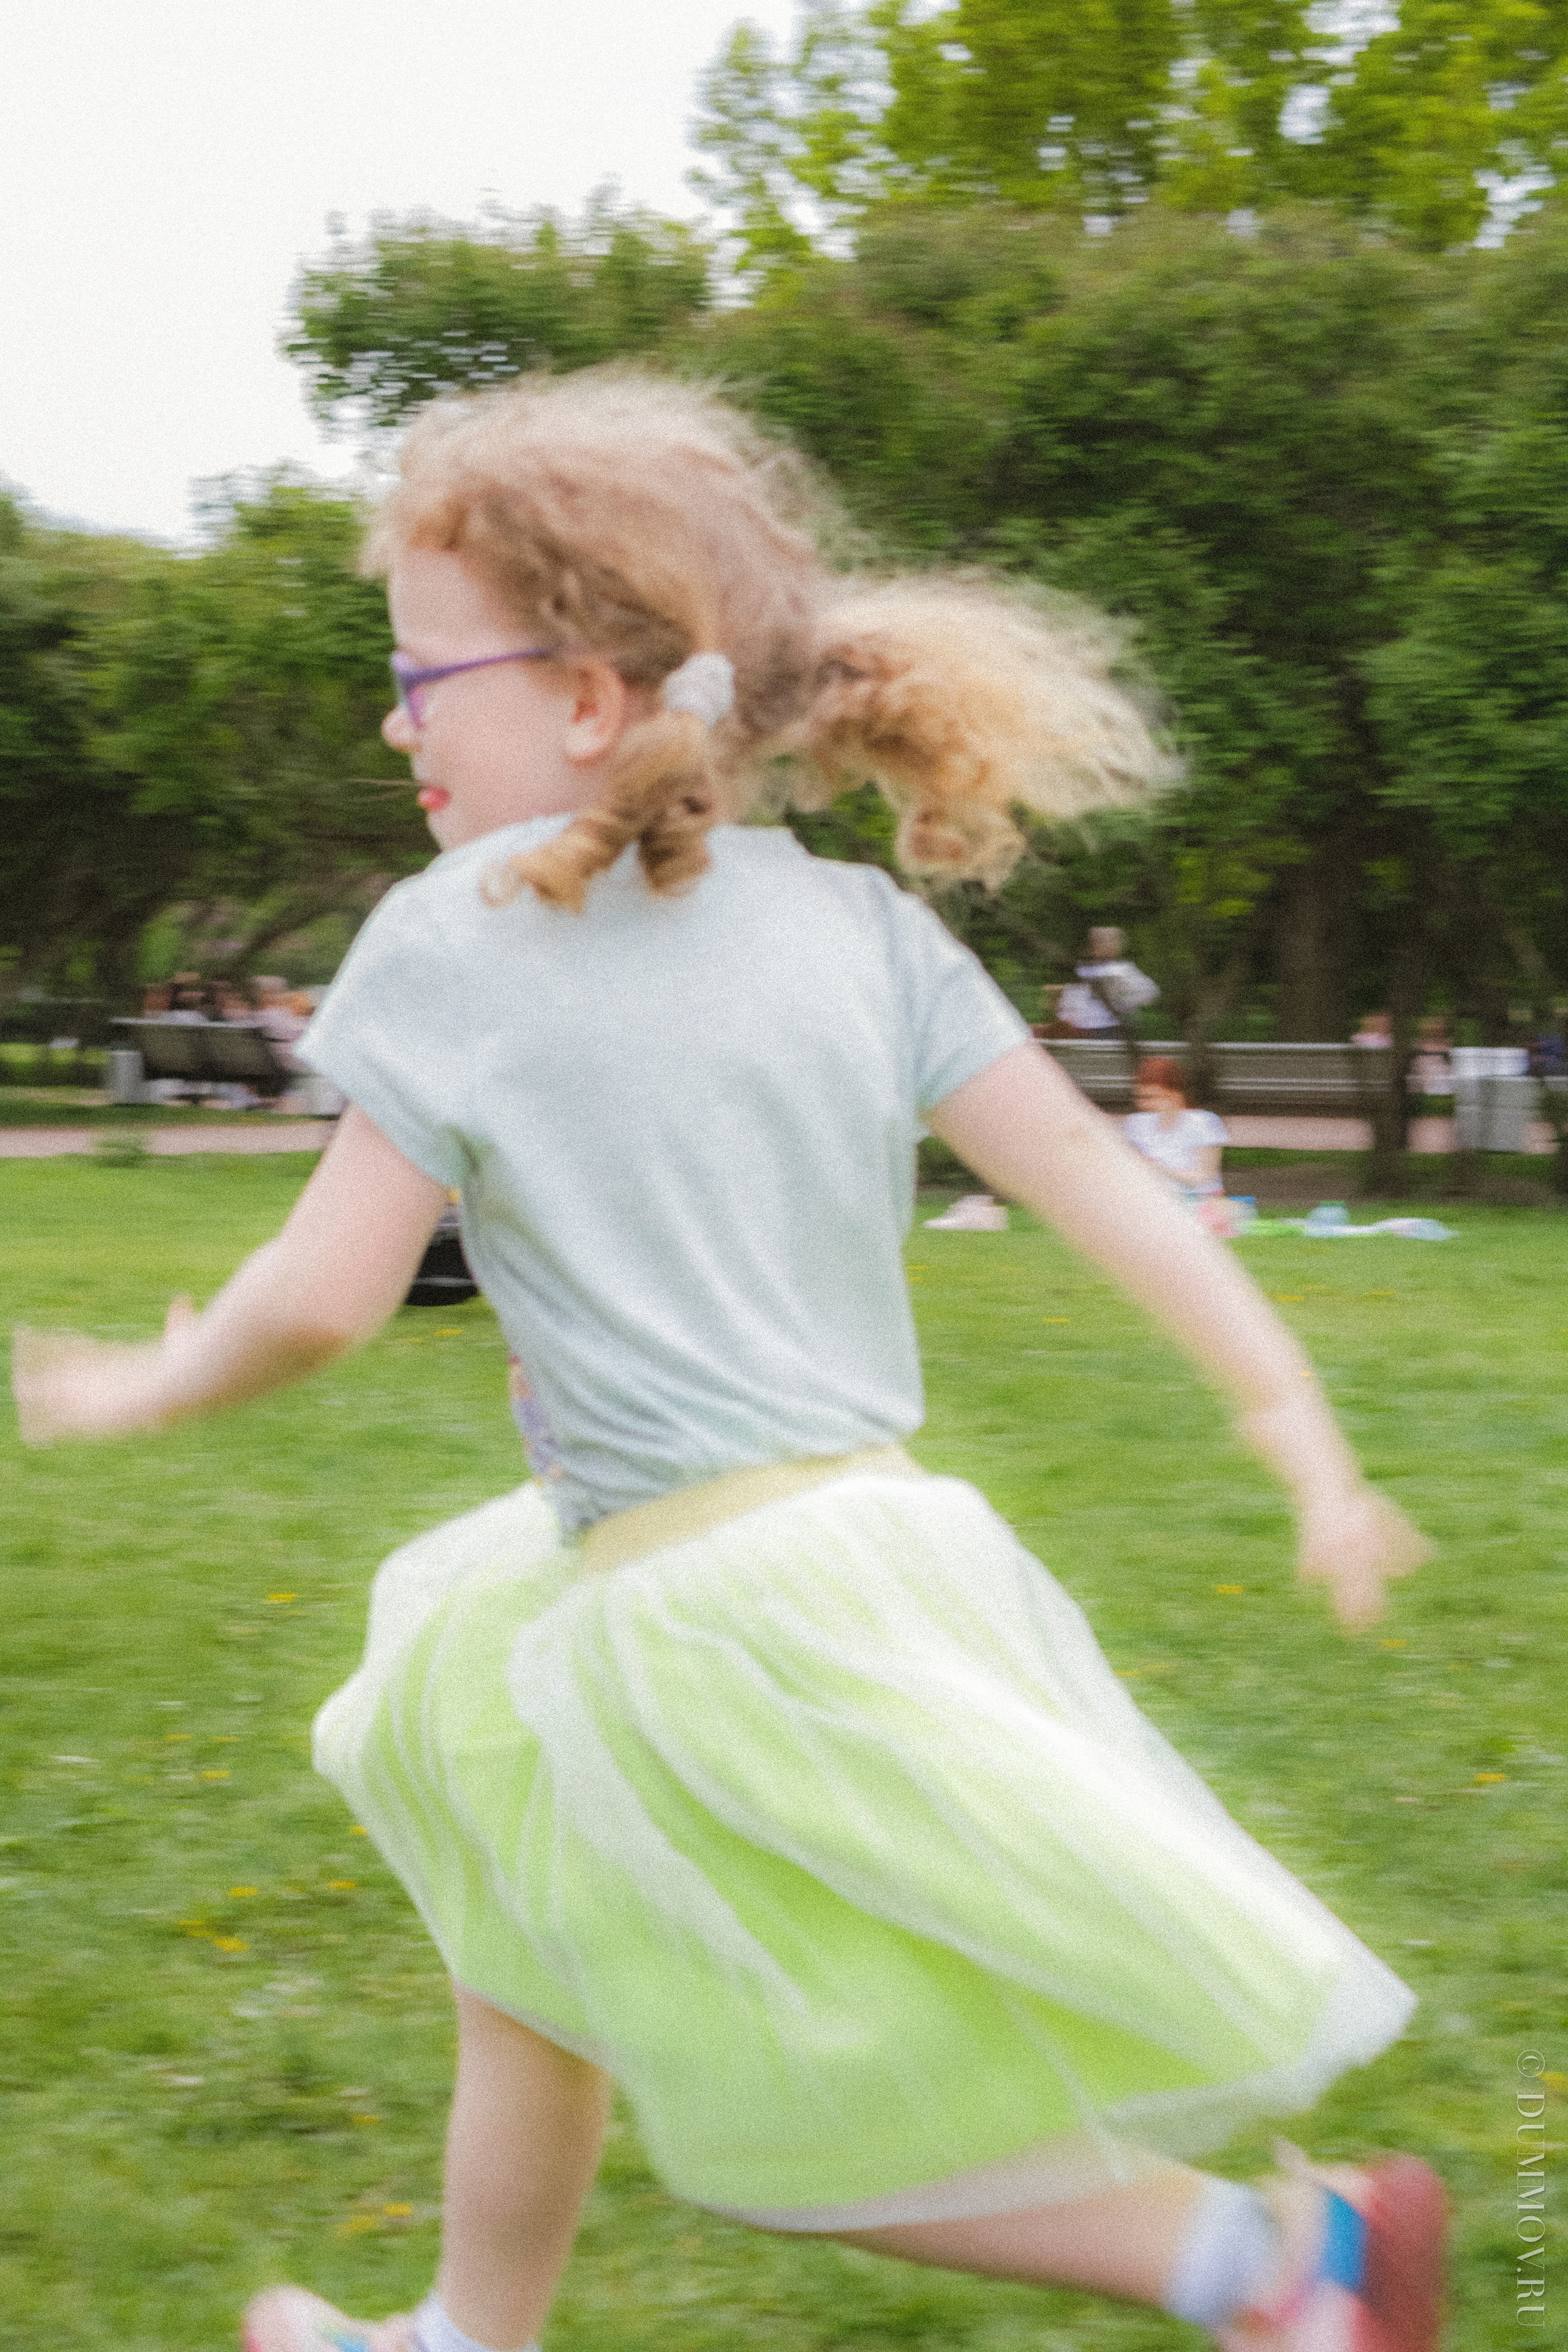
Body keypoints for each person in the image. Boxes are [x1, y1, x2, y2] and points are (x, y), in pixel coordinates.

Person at [13, 371, 1443, 2352]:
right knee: (517, 1925)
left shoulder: (448, 939)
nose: (392, 715)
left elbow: (326, 1297)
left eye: (423, 673)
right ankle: (460, 2335)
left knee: (806, 2122)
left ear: (589, 699)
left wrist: (148, 1382)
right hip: (845, 1551)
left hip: (704, 1606)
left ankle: (1273, 2269)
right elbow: (1123, 1203)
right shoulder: (870, 937)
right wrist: (1300, 1434)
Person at [1125, 1055, 1229, 1200]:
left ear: (1176, 1094)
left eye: (1154, 1097)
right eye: (1141, 1097)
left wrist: (1156, 1167)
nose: (1144, 1104)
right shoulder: (1136, 1123)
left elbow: (1205, 1177)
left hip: (1198, 1202)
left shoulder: (1203, 1122)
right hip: (1150, 1201)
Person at [1055, 926, 1159, 1038]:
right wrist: (1065, 1018)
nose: (1103, 945)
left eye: (1109, 941)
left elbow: (1150, 994)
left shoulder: (1124, 970)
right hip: (1082, 1031)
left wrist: (1123, 997)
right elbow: (1068, 1002)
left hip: (1113, 1029)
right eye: (1099, 941)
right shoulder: (1083, 970)